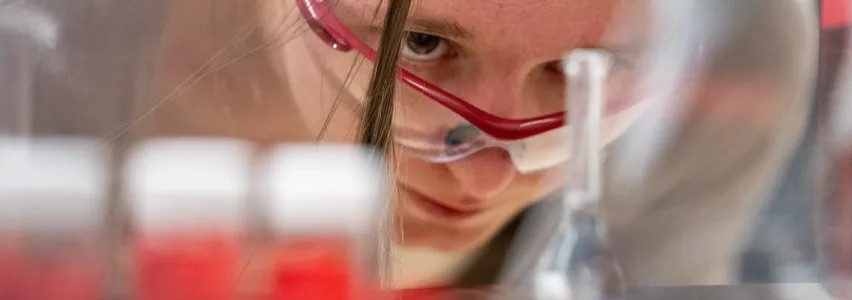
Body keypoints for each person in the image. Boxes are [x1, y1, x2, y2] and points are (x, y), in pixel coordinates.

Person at [143, 0, 816, 292]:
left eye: (600, 62)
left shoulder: (723, 64)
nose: (486, 177)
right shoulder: (52, 57)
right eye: (422, 42)